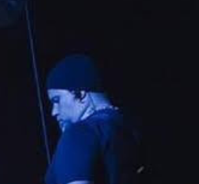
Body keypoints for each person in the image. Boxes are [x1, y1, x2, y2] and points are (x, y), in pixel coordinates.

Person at [42, 54, 140, 184]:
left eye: (57, 100)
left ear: (80, 94)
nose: (53, 112)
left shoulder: (79, 133)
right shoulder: (131, 129)